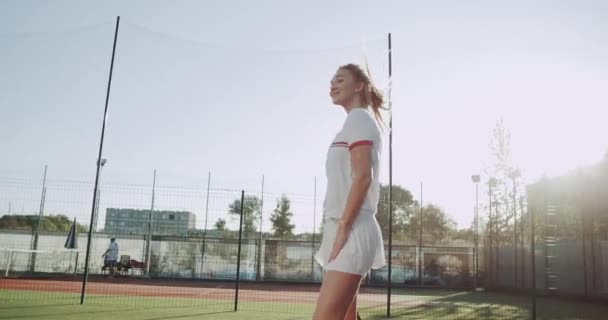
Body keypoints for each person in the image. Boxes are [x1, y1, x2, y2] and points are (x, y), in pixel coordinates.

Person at [313, 63, 386, 320]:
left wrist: (344, 227)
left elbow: (363, 176)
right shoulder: (351, 124)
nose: (332, 84)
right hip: (342, 229)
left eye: (340, 79)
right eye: (332, 80)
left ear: (359, 86)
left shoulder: (359, 118)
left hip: (352, 230)